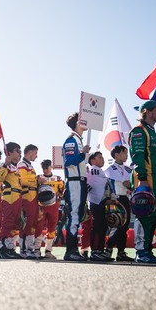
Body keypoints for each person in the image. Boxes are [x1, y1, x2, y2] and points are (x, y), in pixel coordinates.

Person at [128, 100, 156, 264]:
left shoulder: (152, 131)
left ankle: (147, 251)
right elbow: (137, 156)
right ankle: (141, 252)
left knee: (151, 215)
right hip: (145, 178)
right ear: (148, 112)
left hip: (155, 179)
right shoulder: (139, 130)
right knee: (143, 215)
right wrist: (143, 178)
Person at [62, 112, 91, 261]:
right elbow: (68, 161)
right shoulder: (71, 139)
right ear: (76, 123)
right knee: (74, 215)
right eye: (82, 120)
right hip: (74, 182)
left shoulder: (78, 139)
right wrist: (82, 154)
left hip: (80, 181)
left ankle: (73, 250)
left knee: (78, 215)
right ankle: (70, 251)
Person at [103, 147, 133, 262]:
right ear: (116, 155)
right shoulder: (109, 169)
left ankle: (121, 252)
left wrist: (130, 185)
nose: (126, 155)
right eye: (123, 153)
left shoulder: (128, 169)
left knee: (125, 227)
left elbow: (131, 184)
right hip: (115, 199)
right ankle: (108, 249)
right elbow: (109, 185)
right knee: (116, 224)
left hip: (126, 198)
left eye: (126, 153)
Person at [83, 152, 114, 262]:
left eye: (102, 157)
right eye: (100, 157)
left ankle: (100, 250)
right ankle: (95, 251)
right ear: (92, 160)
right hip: (96, 203)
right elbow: (91, 186)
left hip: (102, 202)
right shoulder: (92, 170)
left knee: (103, 227)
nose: (102, 159)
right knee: (97, 227)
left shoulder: (100, 171)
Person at [0, 142, 23, 259]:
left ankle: (10, 247)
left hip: (18, 197)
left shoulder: (17, 167)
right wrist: (5, 165)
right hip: (9, 197)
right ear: (10, 152)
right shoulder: (5, 165)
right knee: (8, 222)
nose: (19, 153)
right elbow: (0, 178)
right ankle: (2, 249)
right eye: (17, 151)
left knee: (15, 224)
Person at [36, 159, 65, 259]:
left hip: (53, 206)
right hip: (41, 206)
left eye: (46, 168)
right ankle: (37, 250)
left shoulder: (58, 179)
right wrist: (38, 183)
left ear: (51, 167)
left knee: (52, 228)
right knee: (39, 227)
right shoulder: (38, 178)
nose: (45, 170)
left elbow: (62, 191)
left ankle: (48, 250)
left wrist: (59, 199)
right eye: (43, 168)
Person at [17, 144, 40, 259]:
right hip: (26, 197)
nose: (36, 156)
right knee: (25, 223)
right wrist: (36, 180)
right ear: (30, 152)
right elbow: (23, 180)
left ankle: (29, 248)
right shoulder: (21, 165)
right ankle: (23, 249)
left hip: (33, 197)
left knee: (32, 224)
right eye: (35, 153)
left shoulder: (31, 167)